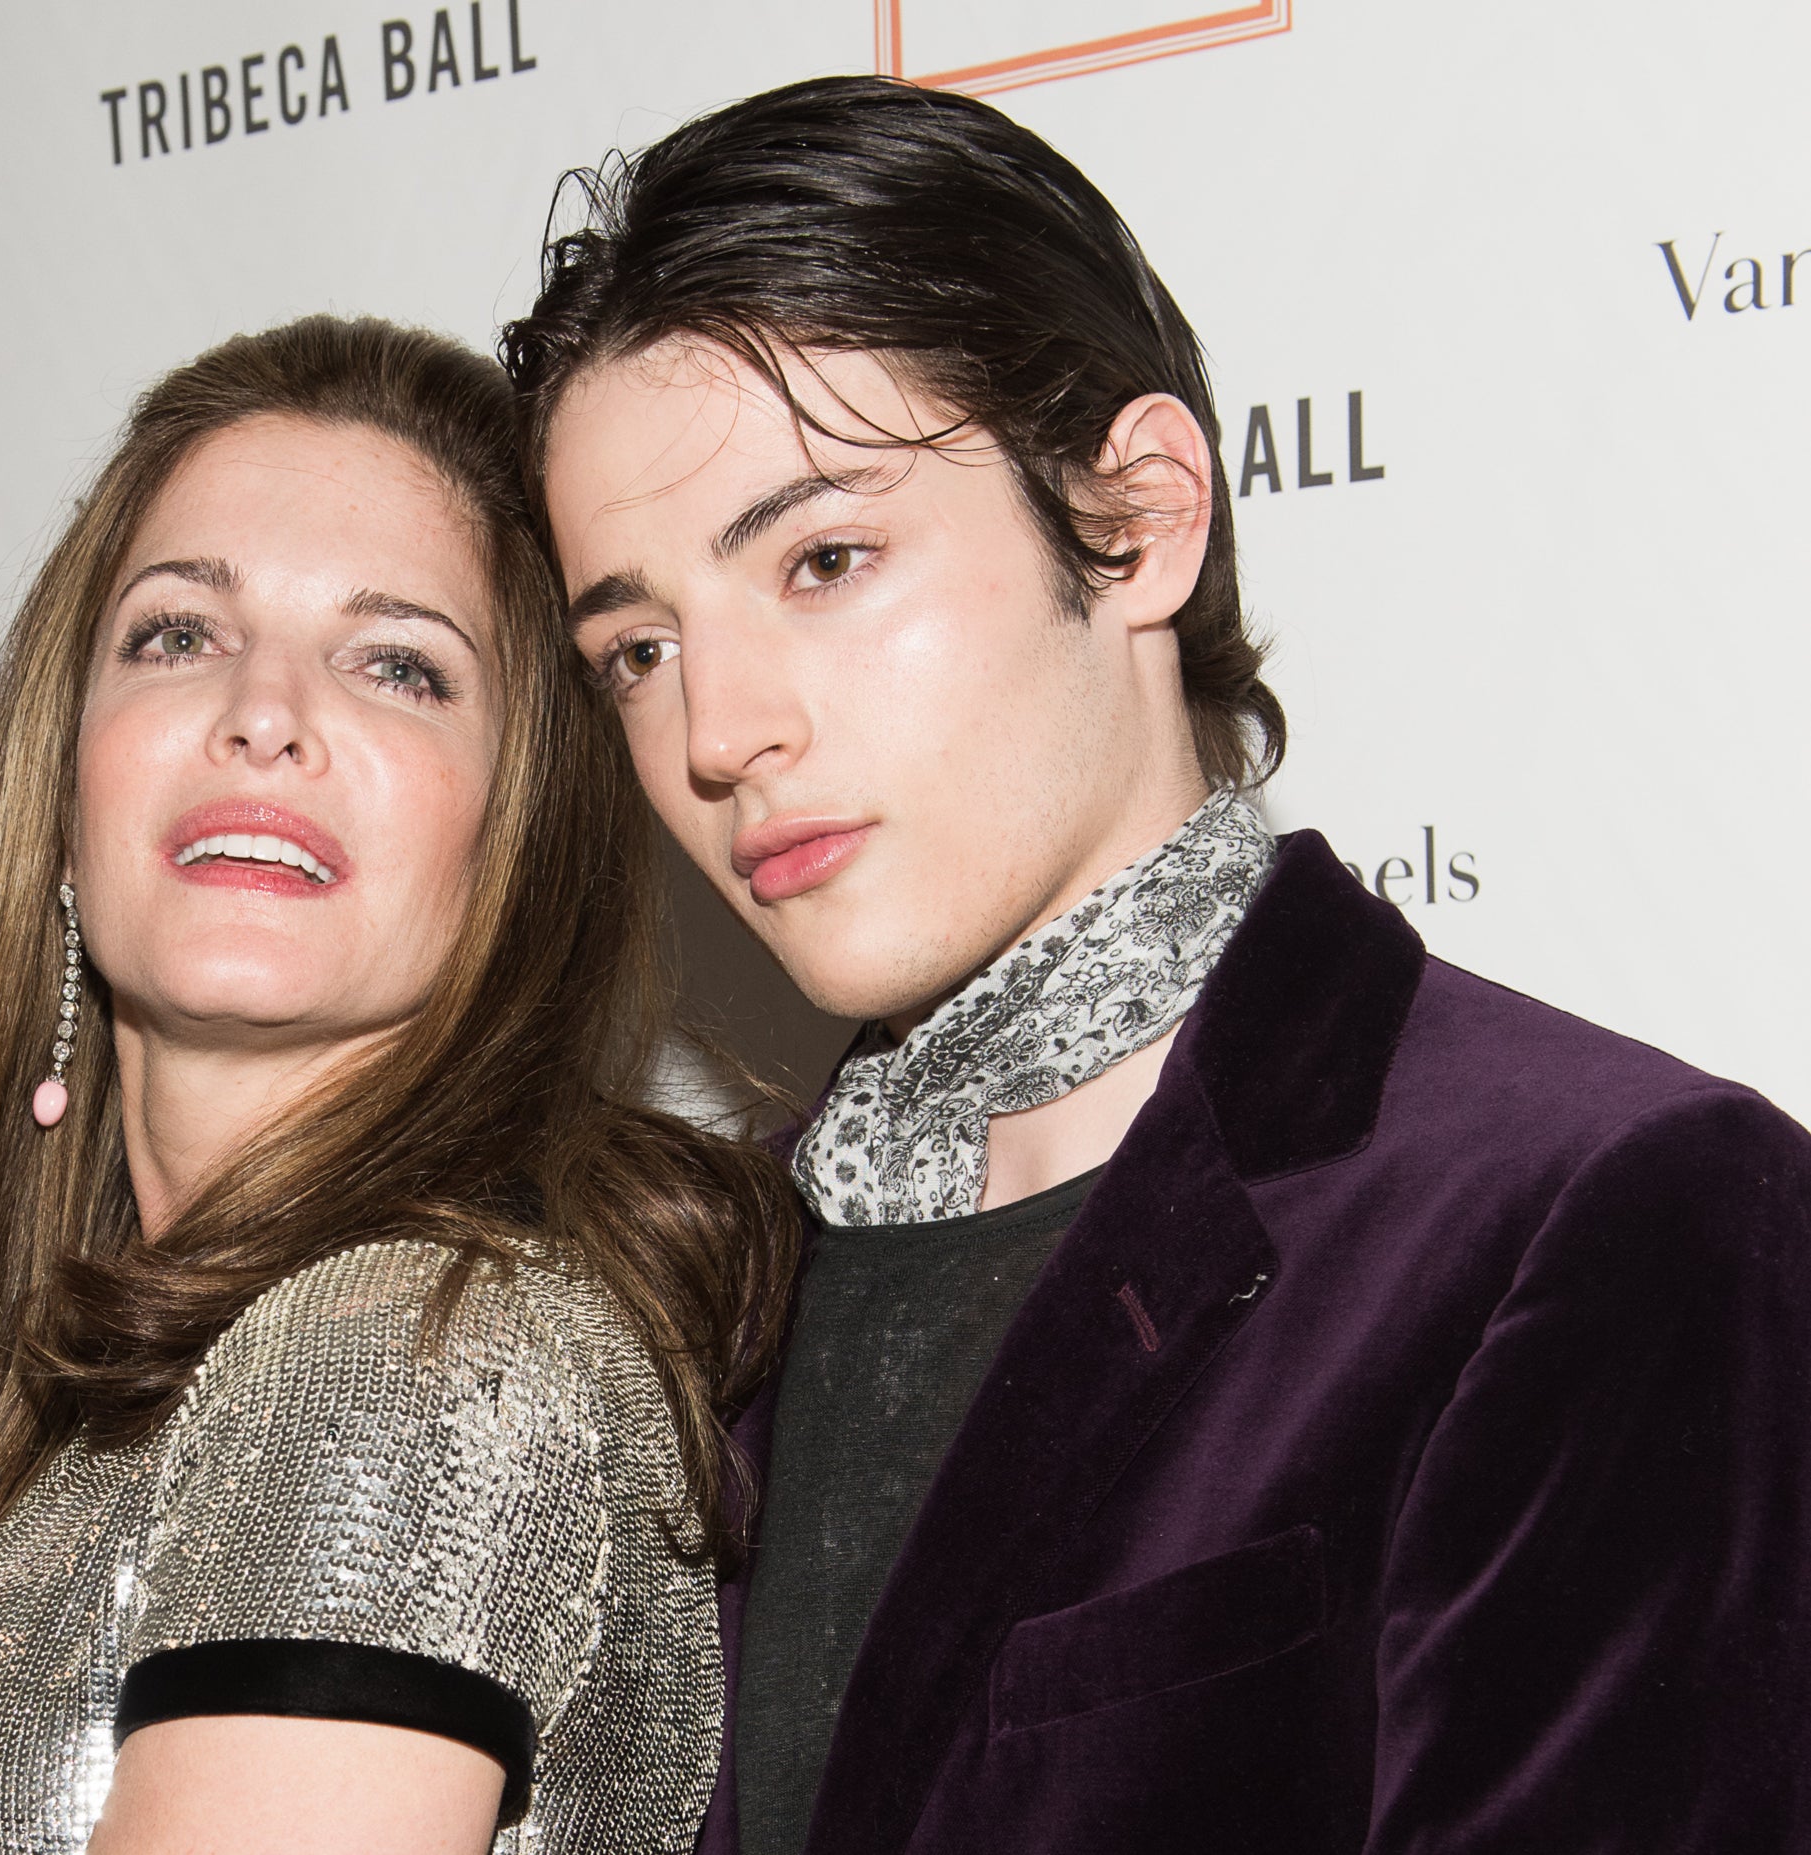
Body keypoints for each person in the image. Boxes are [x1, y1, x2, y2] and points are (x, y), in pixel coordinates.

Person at [502, 76, 1811, 1855]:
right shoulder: (695, 1303)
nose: (718, 732)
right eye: (635, 651)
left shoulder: (1596, 1215)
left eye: (824, 558)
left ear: (1134, 518)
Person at [0, 316, 797, 1855]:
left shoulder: (401, 1363)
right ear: (66, 766)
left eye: (398, 665)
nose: (263, 710)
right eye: (178, 633)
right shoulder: (166, 1355)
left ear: (524, 832)